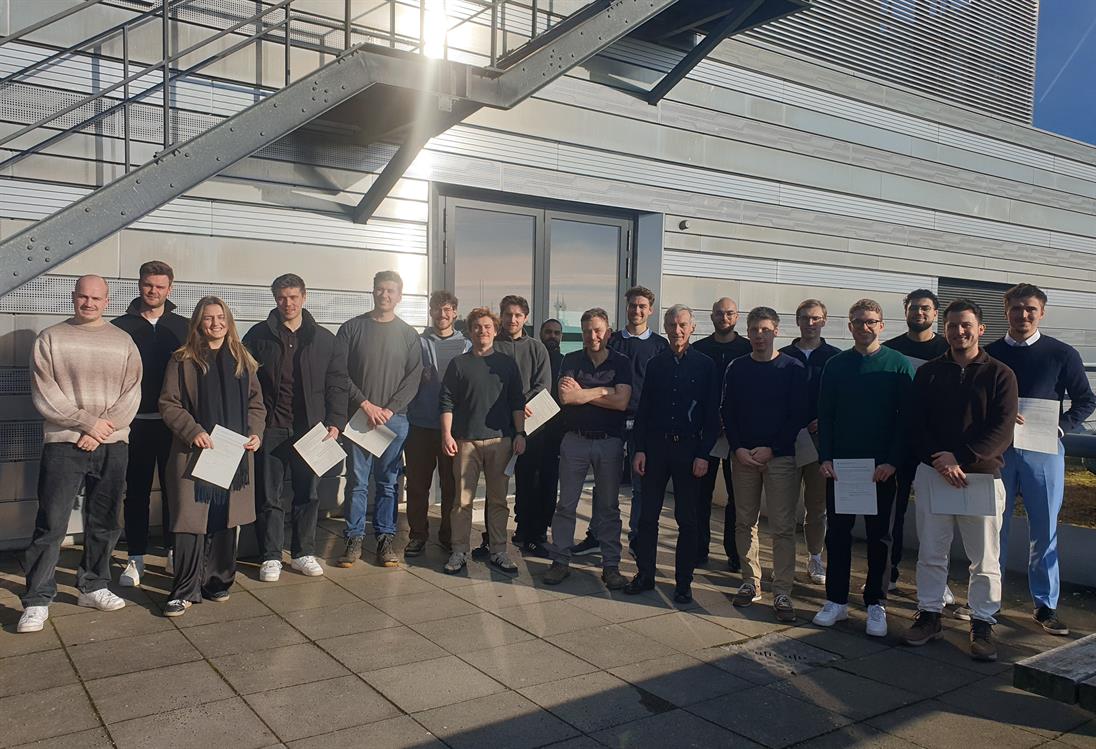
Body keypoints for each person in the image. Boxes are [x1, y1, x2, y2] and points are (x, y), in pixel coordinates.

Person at [18, 276, 142, 633]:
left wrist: (101, 429)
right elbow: (46, 393)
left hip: (113, 445)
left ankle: (93, 584)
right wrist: (88, 424)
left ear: (106, 301)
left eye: (96, 298)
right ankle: (38, 599)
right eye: (83, 297)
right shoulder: (51, 339)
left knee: (104, 522)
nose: (89, 303)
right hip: (64, 445)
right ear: (73, 298)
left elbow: (132, 393)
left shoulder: (123, 342)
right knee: (51, 524)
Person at [901, 299, 1018, 661]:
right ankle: (930, 613)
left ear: (981, 329)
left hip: (980, 477)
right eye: (952, 326)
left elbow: (1002, 430)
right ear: (945, 329)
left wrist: (962, 458)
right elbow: (915, 423)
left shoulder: (1001, 374)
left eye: (965, 325)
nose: (958, 332)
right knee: (931, 552)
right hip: (934, 473)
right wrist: (941, 460)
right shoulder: (930, 372)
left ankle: (982, 621)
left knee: (984, 558)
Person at [986, 283, 1096, 636]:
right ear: (1006, 311)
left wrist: (1061, 428)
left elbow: (1085, 400)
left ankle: (1045, 605)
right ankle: (988, 601)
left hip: (1044, 451)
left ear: (1042, 312)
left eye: (1030, 309)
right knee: (993, 528)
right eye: (1016, 308)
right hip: (999, 453)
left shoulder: (1062, 353)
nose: (1023, 315)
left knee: (1045, 529)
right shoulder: (987, 354)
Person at [812, 299, 914, 638]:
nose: (864, 327)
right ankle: (836, 600)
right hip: (842, 468)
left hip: (881, 469)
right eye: (857, 322)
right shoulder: (837, 365)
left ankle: (875, 603)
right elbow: (825, 415)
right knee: (838, 535)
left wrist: (893, 461)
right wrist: (825, 456)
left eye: (871, 321)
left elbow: (907, 421)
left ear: (881, 325)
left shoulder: (898, 365)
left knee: (879, 538)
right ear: (850, 326)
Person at [159, 297, 265, 617]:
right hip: (195, 453)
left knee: (223, 520)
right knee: (191, 523)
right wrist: (192, 431)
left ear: (229, 321)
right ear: (198, 323)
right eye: (208, 318)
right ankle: (184, 589)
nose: (215, 324)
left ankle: (217, 580)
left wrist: (255, 432)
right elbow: (169, 403)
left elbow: (256, 404)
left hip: (233, 456)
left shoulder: (242, 359)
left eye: (221, 317)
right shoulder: (183, 360)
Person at [243, 274, 347, 581]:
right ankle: (271, 556)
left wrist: (336, 421)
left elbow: (337, 383)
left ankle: (303, 553)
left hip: (311, 429)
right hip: (271, 427)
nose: (287, 303)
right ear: (274, 299)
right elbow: (246, 382)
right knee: (269, 496)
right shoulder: (257, 336)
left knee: (307, 494)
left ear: (304, 297)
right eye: (281, 298)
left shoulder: (324, 339)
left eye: (293, 297)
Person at [626, 305, 720, 603]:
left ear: (692, 327)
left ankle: (683, 582)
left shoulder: (705, 365)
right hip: (655, 449)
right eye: (671, 325)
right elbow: (644, 411)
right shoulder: (656, 364)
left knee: (687, 520)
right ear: (664, 327)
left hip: (689, 451)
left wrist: (704, 454)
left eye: (682, 325)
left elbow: (711, 415)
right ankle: (645, 574)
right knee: (647, 518)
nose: (676, 331)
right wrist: (639, 448)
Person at [722, 307, 808, 622]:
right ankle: (750, 581)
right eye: (754, 329)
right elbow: (727, 411)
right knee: (744, 522)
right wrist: (739, 448)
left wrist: (771, 448)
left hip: (780, 457)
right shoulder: (737, 368)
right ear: (748, 332)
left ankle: (782, 589)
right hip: (743, 457)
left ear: (776, 331)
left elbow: (796, 415)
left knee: (783, 527)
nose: (760, 335)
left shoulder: (792, 368)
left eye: (765, 329)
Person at [571, 287, 668, 558]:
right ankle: (596, 535)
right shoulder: (612, 341)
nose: (636, 311)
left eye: (641, 306)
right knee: (604, 484)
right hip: (610, 420)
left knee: (640, 486)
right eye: (632, 306)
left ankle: (637, 539)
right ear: (625, 308)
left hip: (643, 424)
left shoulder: (660, 346)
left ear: (650, 309)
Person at [335, 271, 423, 568]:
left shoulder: (409, 335)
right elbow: (340, 373)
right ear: (372, 292)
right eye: (380, 290)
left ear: (399, 296)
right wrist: (365, 404)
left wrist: (389, 408)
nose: (384, 295)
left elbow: (413, 379)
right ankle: (354, 538)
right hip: (360, 419)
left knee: (388, 483)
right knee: (358, 482)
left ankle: (386, 539)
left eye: (390, 291)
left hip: (394, 420)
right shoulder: (352, 328)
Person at [543, 308, 632, 588]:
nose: (592, 336)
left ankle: (611, 565)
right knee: (566, 504)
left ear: (607, 332)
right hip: (575, 441)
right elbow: (566, 397)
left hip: (609, 442)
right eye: (586, 331)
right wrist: (605, 390)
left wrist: (585, 393)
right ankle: (560, 560)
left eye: (597, 330)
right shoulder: (571, 360)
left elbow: (622, 402)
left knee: (608, 507)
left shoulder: (622, 362)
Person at [112, 260, 188, 587]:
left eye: (160, 286)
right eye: (148, 285)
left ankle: (174, 550)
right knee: (137, 491)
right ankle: (136, 557)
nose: (153, 291)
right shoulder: (119, 327)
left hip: (174, 424)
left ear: (170, 289)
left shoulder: (184, 327)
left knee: (176, 490)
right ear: (139, 285)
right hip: (134, 423)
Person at [439, 307, 526, 575]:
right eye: (477, 327)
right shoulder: (458, 364)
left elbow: (517, 401)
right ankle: (459, 551)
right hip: (466, 442)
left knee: (499, 500)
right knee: (462, 501)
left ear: (495, 330)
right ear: (470, 330)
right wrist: (446, 434)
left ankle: (499, 550)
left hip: (501, 441)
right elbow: (447, 401)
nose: (482, 331)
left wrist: (520, 433)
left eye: (488, 327)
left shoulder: (506, 364)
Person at [471, 295, 550, 557]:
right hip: (497, 427)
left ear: (525, 318)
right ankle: (490, 539)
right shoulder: (492, 345)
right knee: (495, 488)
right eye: (507, 314)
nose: (512, 319)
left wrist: (520, 403)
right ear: (500, 316)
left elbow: (543, 384)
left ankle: (530, 534)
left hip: (530, 425)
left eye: (518, 315)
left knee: (531, 483)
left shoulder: (537, 348)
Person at [883, 289, 950, 594]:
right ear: (905, 311)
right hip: (897, 442)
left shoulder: (949, 349)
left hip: (935, 445)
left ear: (936, 313)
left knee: (937, 517)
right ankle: (889, 571)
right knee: (893, 514)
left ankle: (939, 581)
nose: (919, 313)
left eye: (925, 308)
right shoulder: (889, 349)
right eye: (914, 308)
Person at [404, 291, 471, 556]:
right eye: (436, 309)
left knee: (451, 485)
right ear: (430, 312)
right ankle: (418, 535)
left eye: (447, 309)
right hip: (420, 424)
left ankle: (447, 535)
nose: (441, 315)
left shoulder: (466, 345)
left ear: (454, 312)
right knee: (418, 485)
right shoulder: (417, 343)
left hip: (453, 429)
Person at [778, 300, 840, 586]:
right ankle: (784, 561)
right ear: (797, 321)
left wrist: (825, 421)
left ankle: (815, 556)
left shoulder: (835, 358)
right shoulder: (783, 355)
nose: (810, 323)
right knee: (784, 507)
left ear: (824, 320)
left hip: (818, 442)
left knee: (816, 506)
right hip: (786, 441)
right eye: (805, 318)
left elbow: (842, 401)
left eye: (816, 318)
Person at [693, 297, 752, 571]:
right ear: (712, 316)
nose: (724, 317)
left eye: (729, 313)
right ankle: (699, 548)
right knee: (701, 494)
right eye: (719, 313)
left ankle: (734, 552)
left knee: (737, 497)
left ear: (737, 317)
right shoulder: (700, 349)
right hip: (706, 433)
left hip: (737, 433)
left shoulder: (748, 348)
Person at [514, 318, 566, 557]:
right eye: (548, 332)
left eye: (556, 333)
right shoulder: (533, 356)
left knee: (547, 484)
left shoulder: (566, 362)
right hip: (529, 430)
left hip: (554, 434)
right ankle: (523, 527)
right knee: (525, 482)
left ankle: (540, 531)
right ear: (540, 334)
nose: (552, 336)